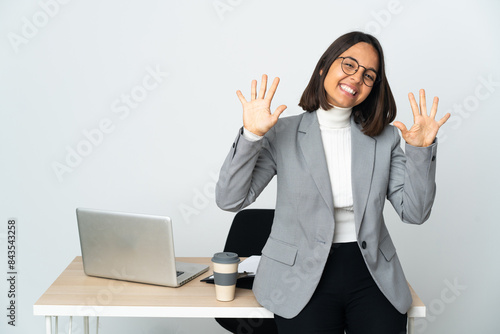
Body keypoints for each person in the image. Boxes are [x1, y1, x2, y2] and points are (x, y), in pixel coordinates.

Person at [215, 31, 450, 334]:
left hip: (370, 271)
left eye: (369, 75)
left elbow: (415, 212)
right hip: (298, 277)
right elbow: (230, 199)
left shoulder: (386, 138)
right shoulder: (282, 133)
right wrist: (252, 136)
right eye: (349, 65)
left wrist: (420, 151)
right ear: (325, 66)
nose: (356, 78)